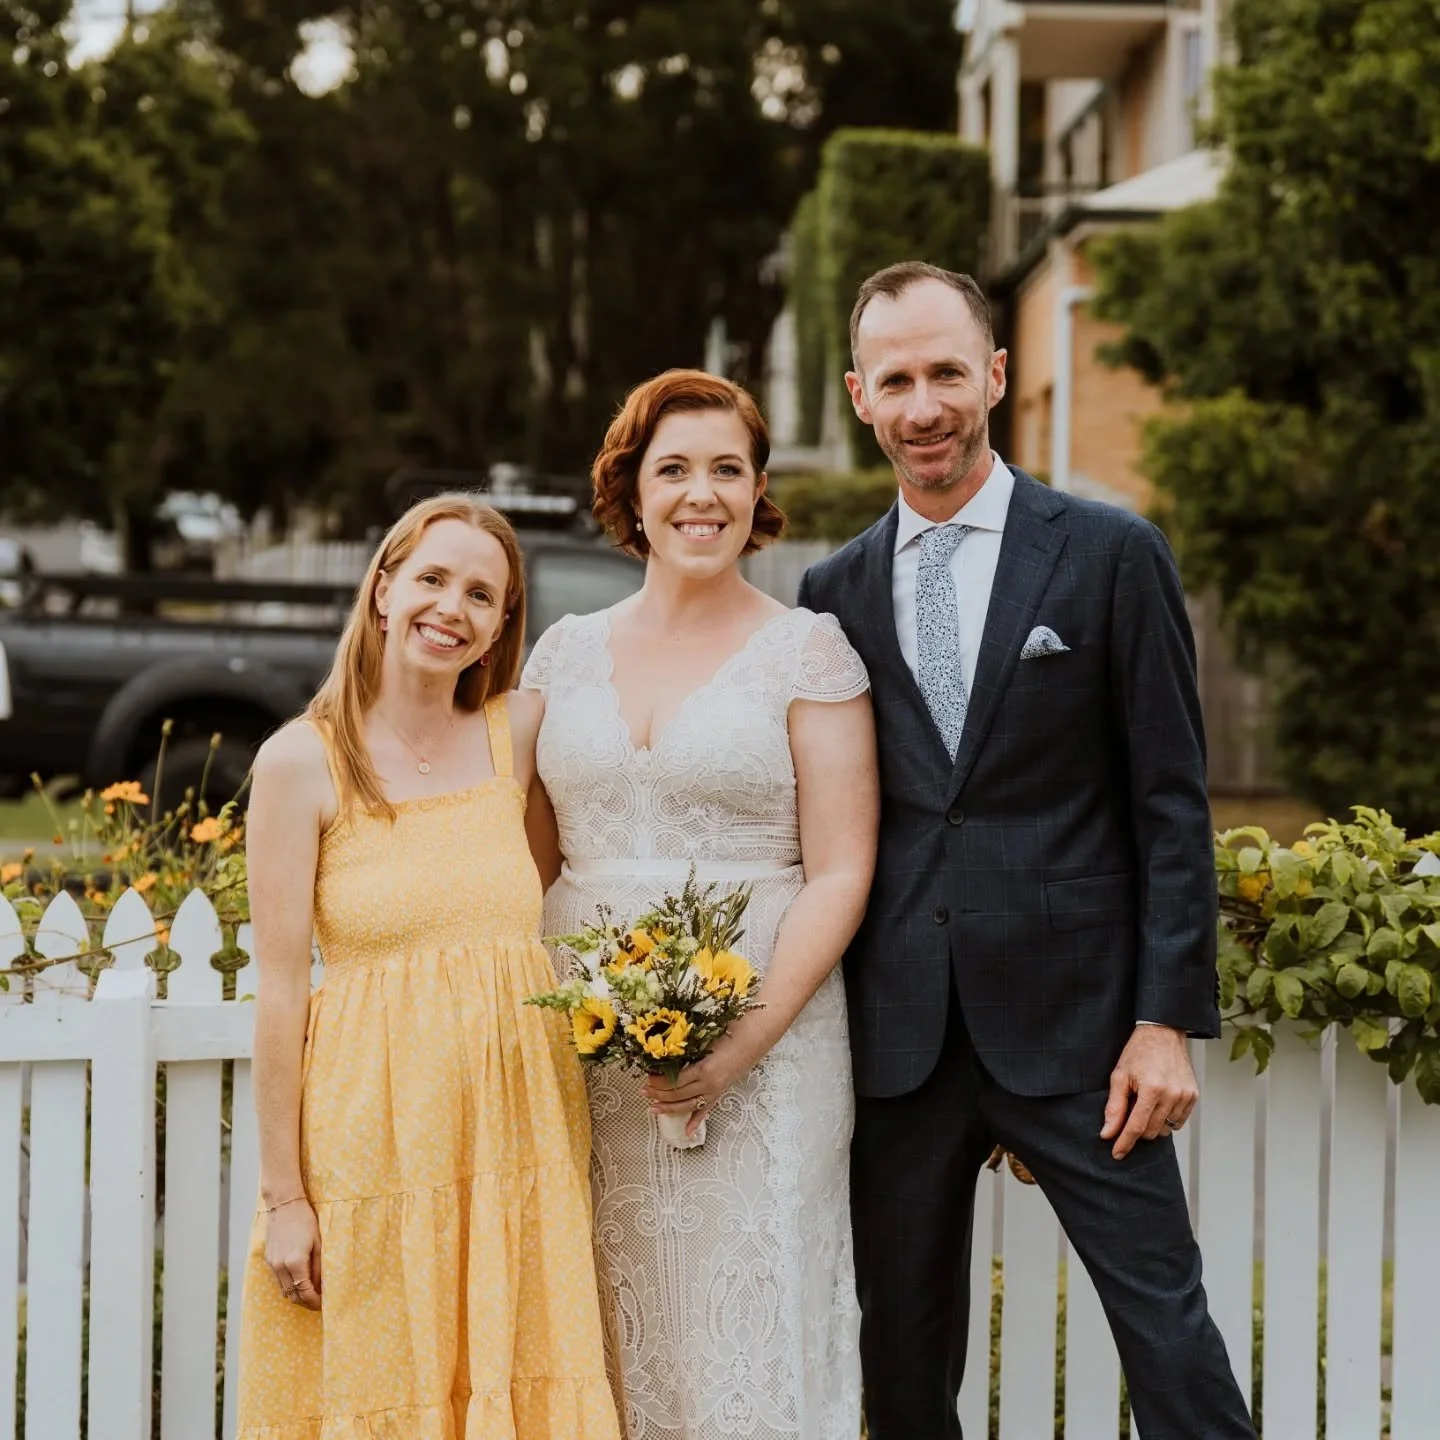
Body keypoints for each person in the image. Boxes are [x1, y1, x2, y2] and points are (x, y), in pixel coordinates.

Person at [799, 263, 1256, 1439]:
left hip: (1084, 1034)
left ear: (995, 375)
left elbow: (1169, 802)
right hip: (899, 1044)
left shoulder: (1109, 554)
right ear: (858, 395)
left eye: (947, 371)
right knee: (900, 1368)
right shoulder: (830, 593)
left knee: (1169, 1335)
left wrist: (1167, 1020)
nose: (925, 406)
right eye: (896, 379)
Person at [521, 370, 879, 1440]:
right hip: (582, 1051)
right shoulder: (563, 650)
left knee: (753, 1333)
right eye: (673, 468)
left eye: (727, 469)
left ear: (759, 491)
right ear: (629, 491)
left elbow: (843, 871)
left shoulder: (808, 652)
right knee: (598, 1317)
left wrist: (738, 1042)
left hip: (770, 1046)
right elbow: (523, 860)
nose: (701, 493)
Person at [237, 495, 619, 1440]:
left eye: (481, 594)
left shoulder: (519, 735)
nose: (452, 606)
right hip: (372, 1137)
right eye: (433, 579)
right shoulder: (300, 764)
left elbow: (546, 879)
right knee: (386, 1389)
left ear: (499, 627)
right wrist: (286, 1198)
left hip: (517, 1131)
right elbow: (282, 991)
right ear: (382, 591)